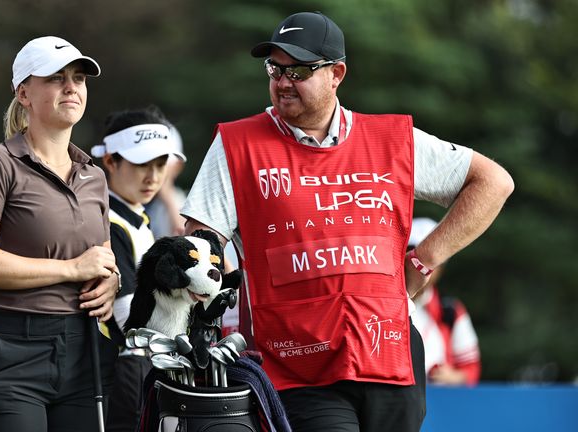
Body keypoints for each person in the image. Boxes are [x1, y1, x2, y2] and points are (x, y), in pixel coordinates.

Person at [181, 11, 514, 432]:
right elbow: (198, 238)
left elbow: (493, 182)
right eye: (275, 69)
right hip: (294, 362)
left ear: (336, 73)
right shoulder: (237, 143)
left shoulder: (392, 138)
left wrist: (422, 261)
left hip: (389, 353)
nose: (283, 82)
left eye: (299, 70)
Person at [0, 36, 120, 432]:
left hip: (84, 350)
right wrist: (72, 269)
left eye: (78, 78)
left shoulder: (93, 175)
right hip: (7, 351)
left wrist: (110, 282)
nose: (71, 87)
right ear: (23, 93)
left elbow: (102, 257)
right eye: (56, 78)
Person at [89, 106, 186, 431]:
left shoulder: (135, 216)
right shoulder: (109, 223)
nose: (153, 177)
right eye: (142, 164)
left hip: (139, 368)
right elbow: (128, 317)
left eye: (160, 165)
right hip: (122, 374)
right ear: (111, 161)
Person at [408, 217, 481, 386]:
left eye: (430, 260)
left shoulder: (451, 311)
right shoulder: (379, 306)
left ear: (441, 268)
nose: (421, 267)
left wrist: (453, 377)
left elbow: (471, 370)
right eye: (413, 257)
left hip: (440, 404)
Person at [143, 123, 187, 238]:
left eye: (161, 164)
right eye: (144, 164)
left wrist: (166, 193)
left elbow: (185, 233)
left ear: (178, 166)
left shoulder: (186, 204)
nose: (153, 173)